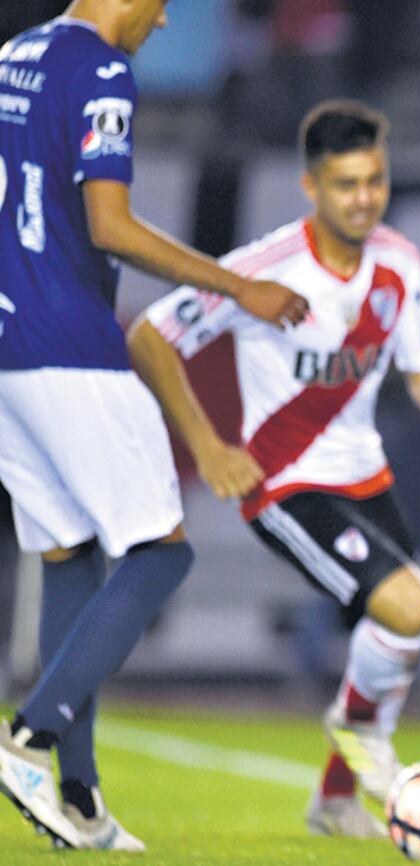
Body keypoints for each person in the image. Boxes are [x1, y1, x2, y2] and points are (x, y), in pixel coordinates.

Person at [127, 99, 420, 839]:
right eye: (346, 183)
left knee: (391, 635)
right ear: (310, 186)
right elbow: (150, 338)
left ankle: (332, 799)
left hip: (367, 473)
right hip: (283, 480)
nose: (364, 198)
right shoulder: (263, 269)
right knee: (408, 609)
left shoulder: (399, 261)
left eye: (375, 181)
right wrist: (206, 446)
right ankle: (358, 738)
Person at [0, 0, 307, 851]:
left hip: (6, 349)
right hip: (69, 343)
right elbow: (112, 226)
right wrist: (240, 287)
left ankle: (81, 798)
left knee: (68, 557)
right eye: (162, 3)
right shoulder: (100, 69)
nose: (164, 21)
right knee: (160, 551)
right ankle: (28, 737)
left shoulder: (11, 56)